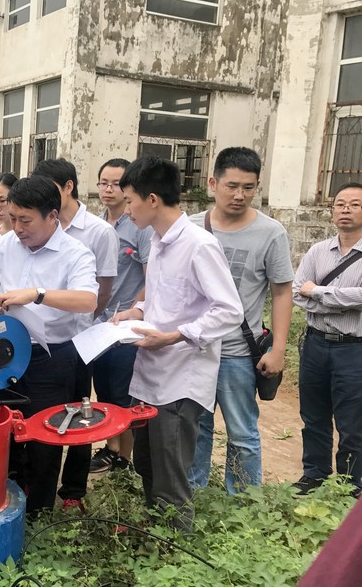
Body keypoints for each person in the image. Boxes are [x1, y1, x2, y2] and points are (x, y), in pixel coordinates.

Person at [112, 156, 243, 532]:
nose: (127, 209)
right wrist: (136, 311)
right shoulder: (157, 241)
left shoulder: (199, 245)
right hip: (151, 374)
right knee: (147, 464)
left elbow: (229, 310)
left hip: (180, 379)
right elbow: (163, 298)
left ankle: (175, 547)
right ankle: (155, 534)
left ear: (152, 199)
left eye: (130, 200)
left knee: (170, 474)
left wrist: (174, 336)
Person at [0, 175, 98, 515]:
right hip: (5, 352)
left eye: (25, 220)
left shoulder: (76, 253)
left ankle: (38, 512)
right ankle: (5, 504)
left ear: (52, 216)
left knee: (45, 437)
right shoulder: (6, 244)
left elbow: (87, 300)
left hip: (51, 357)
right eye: (13, 218)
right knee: (5, 428)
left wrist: (37, 294)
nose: (17, 228)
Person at [187, 147, 294, 494]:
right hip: (195, 349)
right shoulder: (190, 227)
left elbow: (282, 292)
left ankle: (244, 501)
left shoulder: (270, 233)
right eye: (231, 186)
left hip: (238, 353)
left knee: (242, 432)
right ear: (213, 183)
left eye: (248, 187)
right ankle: (193, 493)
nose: (239, 195)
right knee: (196, 427)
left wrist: (278, 349)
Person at [31, 157, 118, 511]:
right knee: (46, 413)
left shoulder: (98, 232)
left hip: (81, 338)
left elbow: (104, 288)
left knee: (81, 410)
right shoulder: (36, 226)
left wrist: (81, 320)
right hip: (42, 340)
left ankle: (73, 490)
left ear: (68, 187)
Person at [292, 181, 362, 498]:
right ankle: (314, 475)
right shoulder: (317, 251)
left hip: (354, 348)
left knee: (352, 421)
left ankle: (351, 484)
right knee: (313, 415)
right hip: (316, 344)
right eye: (340, 204)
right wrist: (341, 299)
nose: (346, 209)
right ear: (332, 211)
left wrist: (318, 292)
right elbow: (297, 293)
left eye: (355, 204)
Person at [90, 158, 153, 473]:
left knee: (123, 393)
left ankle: (123, 457)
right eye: (103, 182)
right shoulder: (97, 224)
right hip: (97, 323)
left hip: (126, 326)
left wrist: (132, 312)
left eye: (116, 183)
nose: (108, 189)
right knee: (103, 390)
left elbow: (150, 279)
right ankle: (110, 447)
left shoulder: (140, 227)